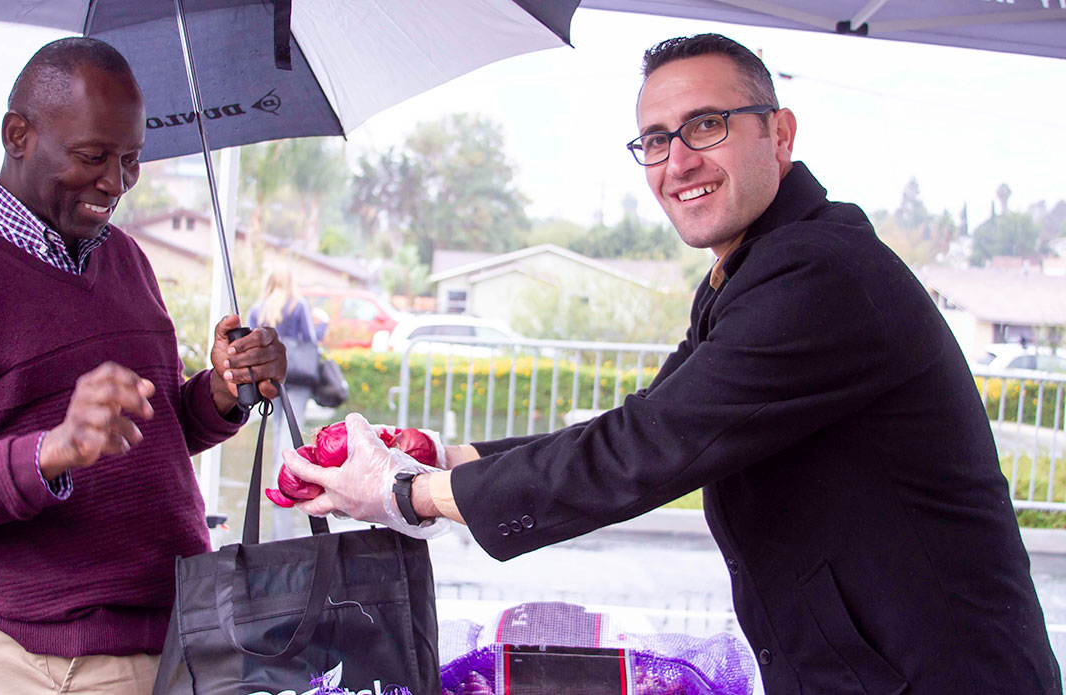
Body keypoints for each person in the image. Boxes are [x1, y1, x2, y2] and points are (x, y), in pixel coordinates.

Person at [287, 34, 1063, 694]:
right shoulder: (752, 271)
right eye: (655, 139)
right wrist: (439, 455)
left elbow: (646, 451)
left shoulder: (822, 277)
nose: (677, 160)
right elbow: (644, 422)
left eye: (707, 124)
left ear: (780, 133)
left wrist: (407, 492)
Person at [0, 38, 285, 695]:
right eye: (93, 157)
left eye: (131, 161)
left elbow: (153, 433)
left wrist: (222, 391)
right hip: (54, 665)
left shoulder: (124, 257)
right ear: (18, 136)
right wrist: (52, 451)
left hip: (177, 630)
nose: (116, 184)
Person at [248, 261, 320, 538]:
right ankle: (286, 487)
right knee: (291, 432)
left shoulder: (258, 308)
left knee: (278, 429)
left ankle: (277, 485)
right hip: (298, 379)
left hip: (270, 379)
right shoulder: (298, 306)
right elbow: (310, 341)